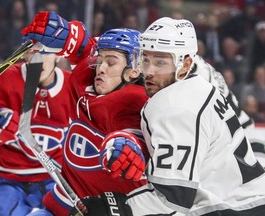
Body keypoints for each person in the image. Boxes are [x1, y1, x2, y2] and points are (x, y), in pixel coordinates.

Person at [79, 17, 265, 216]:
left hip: (234, 209)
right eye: (145, 59)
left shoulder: (173, 106)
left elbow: (173, 198)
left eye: (160, 62)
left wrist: (115, 208)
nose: (149, 71)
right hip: (251, 195)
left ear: (185, 64)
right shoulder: (199, 83)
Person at [20, 11, 149, 215]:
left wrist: (131, 144)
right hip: (63, 201)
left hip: (110, 208)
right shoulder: (88, 78)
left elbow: (136, 134)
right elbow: (85, 50)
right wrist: (70, 37)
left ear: (135, 70)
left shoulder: (135, 99)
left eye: (111, 62)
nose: (101, 68)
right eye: (100, 60)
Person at [0, 52, 73, 216]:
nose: (39, 58)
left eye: (46, 52)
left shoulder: (72, 85)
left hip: (57, 180)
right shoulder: (5, 79)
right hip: (10, 178)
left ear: (59, 56)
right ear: (26, 54)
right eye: (35, 51)